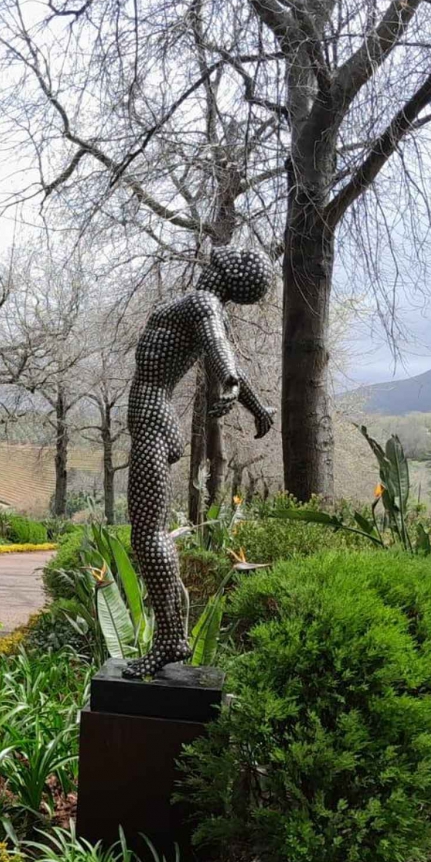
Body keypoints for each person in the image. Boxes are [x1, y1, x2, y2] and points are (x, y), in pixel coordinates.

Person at [121, 246, 276, 679]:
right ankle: (170, 638)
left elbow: (219, 347)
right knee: (146, 533)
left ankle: (170, 639)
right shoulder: (200, 306)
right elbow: (219, 350)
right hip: (152, 420)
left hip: (154, 418)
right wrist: (259, 408)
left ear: (225, 270)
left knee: (148, 535)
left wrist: (229, 380)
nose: (217, 252)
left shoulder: (203, 304)